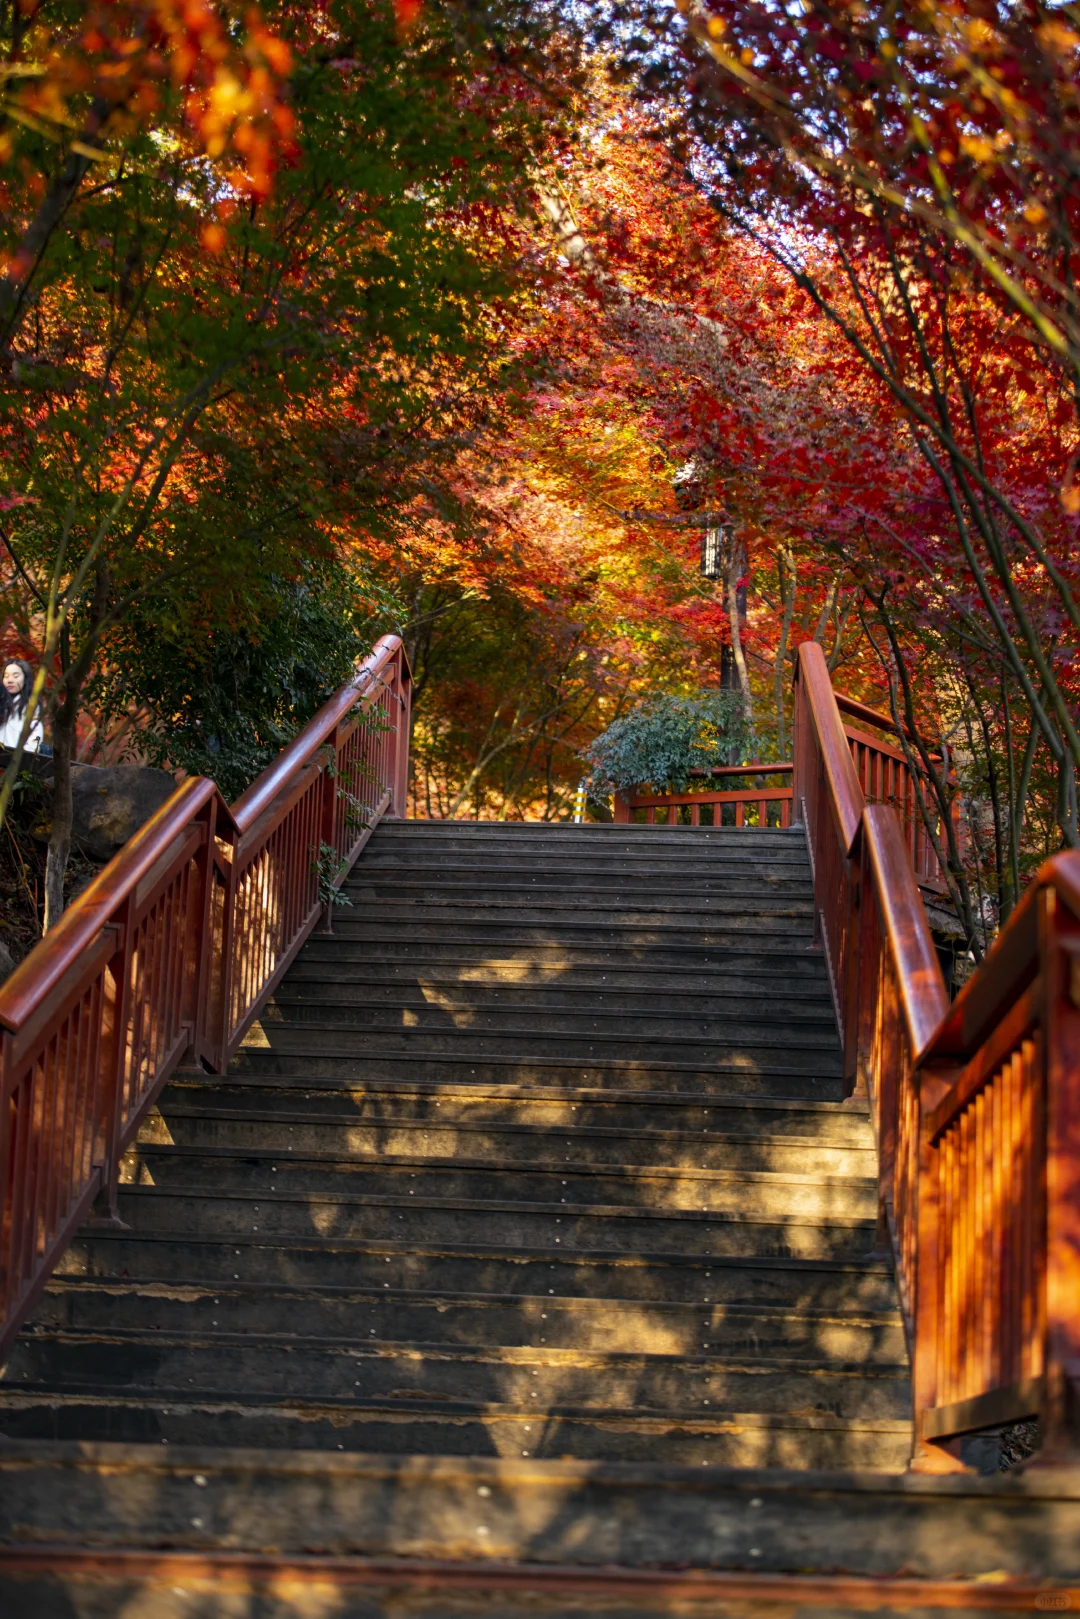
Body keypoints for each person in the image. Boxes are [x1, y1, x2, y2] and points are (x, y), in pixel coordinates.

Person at [0, 658, 45, 755]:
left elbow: (34, 739)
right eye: (6, 676)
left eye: (16, 676)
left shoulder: (31, 705)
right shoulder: (3, 703)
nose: (10, 680)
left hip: (17, 761)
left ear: (25, 679)